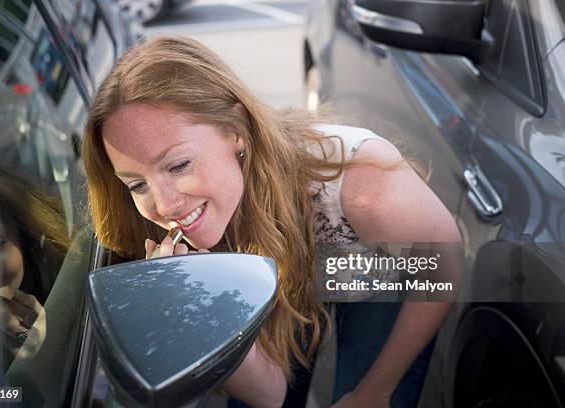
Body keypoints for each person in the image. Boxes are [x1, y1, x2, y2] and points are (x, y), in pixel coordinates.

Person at [81, 35, 462, 408]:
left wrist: (376, 390)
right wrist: (200, 309)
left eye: (179, 165)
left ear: (235, 131)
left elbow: (444, 262)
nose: (165, 206)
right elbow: (270, 395)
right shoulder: (162, 232)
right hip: (286, 270)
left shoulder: (361, 188)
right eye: (136, 184)